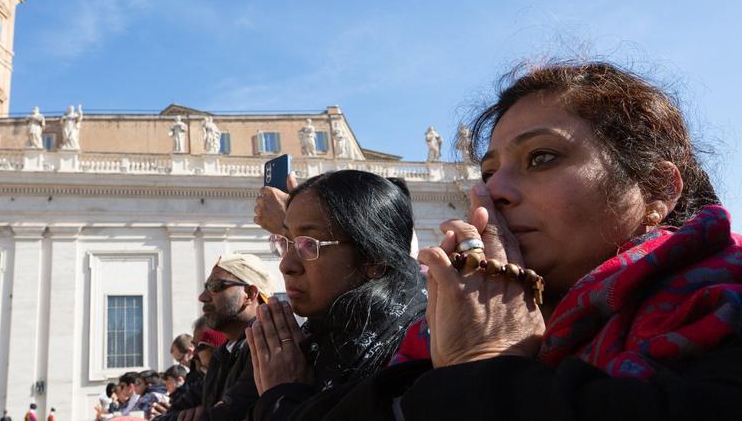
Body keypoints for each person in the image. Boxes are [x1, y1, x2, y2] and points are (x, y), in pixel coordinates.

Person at [302, 60, 742, 420]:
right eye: (488, 172)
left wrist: (485, 363)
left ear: (658, 188)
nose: (494, 192)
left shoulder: (726, 312)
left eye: (542, 157)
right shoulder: (433, 335)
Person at [246, 170, 427, 420]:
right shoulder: (309, 345)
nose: (286, 265)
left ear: (374, 259)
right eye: (285, 241)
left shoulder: (420, 355)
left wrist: (281, 398)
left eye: (310, 244)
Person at [174, 253, 274, 421]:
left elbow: (228, 415)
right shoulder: (222, 354)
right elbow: (179, 408)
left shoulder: (267, 345)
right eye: (206, 287)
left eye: (215, 286)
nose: (202, 297)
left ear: (249, 294)